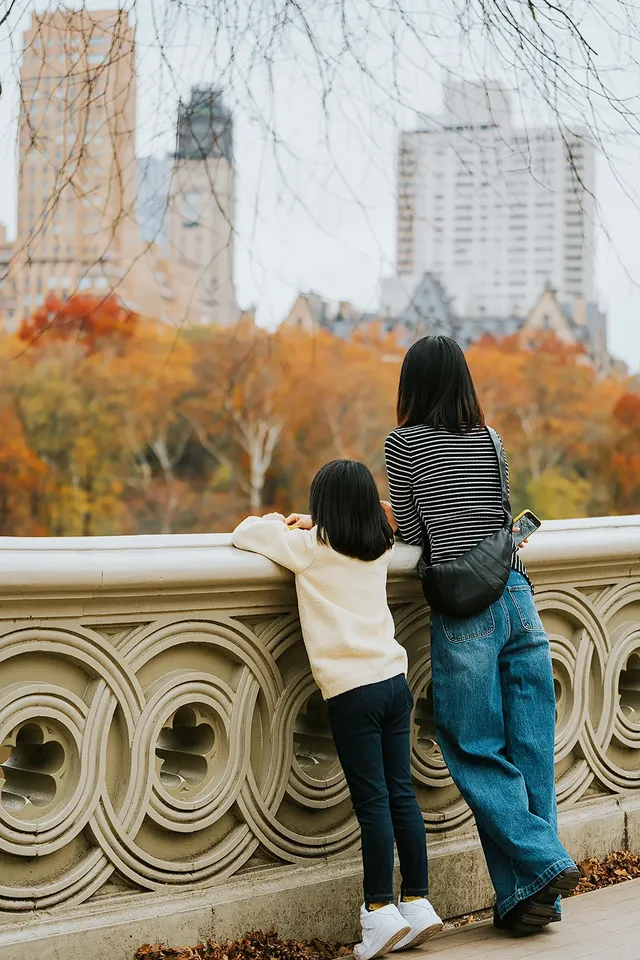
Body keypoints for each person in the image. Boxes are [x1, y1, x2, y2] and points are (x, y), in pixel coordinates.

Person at [383, 336, 580, 938]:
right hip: (519, 601)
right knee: (528, 753)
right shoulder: (490, 439)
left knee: (471, 746)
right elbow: (498, 520)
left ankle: (545, 865)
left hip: (466, 613)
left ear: (413, 386)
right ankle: (527, 899)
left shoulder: (403, 445)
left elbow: (415, 535)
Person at [232, 459, 443, 960]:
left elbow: (245, 532)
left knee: (372, 803)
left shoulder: (309, 548)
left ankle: (378, 913)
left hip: (353, 692)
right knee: (400, 795)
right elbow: (378, 521)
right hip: (394, 681)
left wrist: (289, 521)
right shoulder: (379, 546)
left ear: (321, 507)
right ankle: (417, 903)